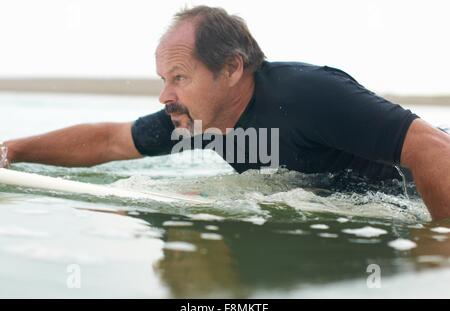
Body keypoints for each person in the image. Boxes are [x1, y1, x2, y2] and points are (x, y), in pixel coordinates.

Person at [2, 6, 450, 220]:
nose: (164, 95)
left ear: (232, 68)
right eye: (163, 79)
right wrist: (12, 150)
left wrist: (438, 248)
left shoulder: (310, 93)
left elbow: (432, 147)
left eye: (178, 77)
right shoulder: (200, 121)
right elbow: (111, 140)